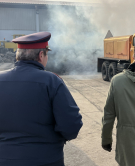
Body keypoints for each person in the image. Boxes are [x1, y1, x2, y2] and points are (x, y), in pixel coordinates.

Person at [0, 32, 83, 166]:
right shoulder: (52, 81)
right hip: (45, 160)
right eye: (46, 54)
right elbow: (71, 126)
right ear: (41, 55)